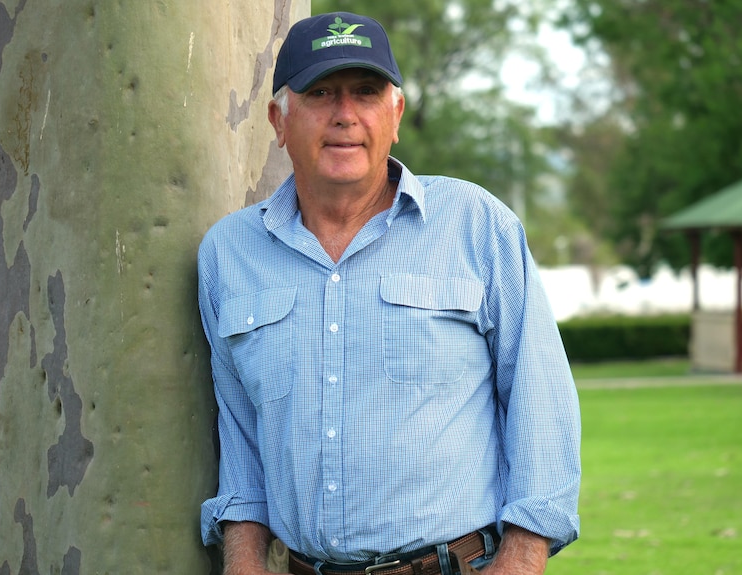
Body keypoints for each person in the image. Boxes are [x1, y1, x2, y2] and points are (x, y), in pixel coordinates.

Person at [198, 11, 581, 575]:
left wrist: (523, 559)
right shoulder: (228, 254)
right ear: (279, 119)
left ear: (395, 114)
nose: (345, 115)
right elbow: (239, 429)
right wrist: (243, 560)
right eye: (321, 92)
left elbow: (540, 398)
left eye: (366, 92)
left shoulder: (477, 226)